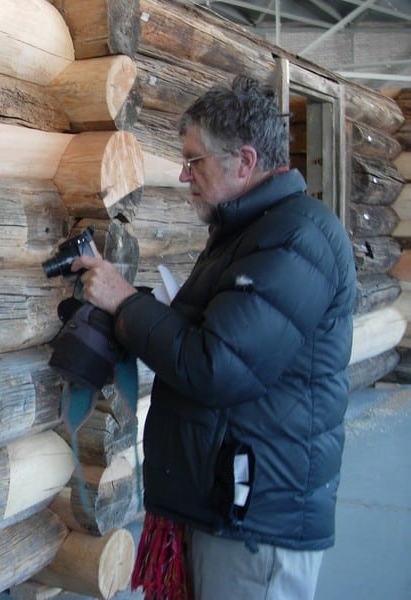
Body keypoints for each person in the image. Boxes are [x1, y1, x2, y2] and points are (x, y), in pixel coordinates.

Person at [71, 74, 356, 599]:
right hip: (224, 500)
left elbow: (217, 365)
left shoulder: (297, 238)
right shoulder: (250, 232)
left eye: (194, 160)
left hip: (254, 521)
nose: (183, 175)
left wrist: (125, 302)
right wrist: (130, 308)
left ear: (243, 163)